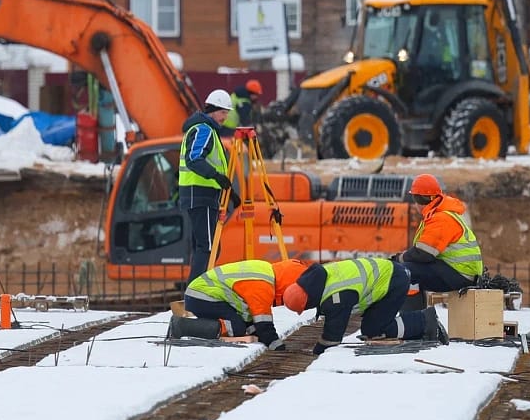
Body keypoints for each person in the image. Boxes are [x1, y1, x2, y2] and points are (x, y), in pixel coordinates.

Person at [283, 257, 449, 355]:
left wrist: (318, 350)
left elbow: (333, 334)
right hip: (388, 275)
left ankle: (426, 321)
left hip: (392, 281)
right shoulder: (319, 279)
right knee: (370, 328)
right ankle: (421, 322)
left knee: (377, 330)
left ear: (307, 301)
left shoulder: (335, 296)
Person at [169, 258, 308, 350]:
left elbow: (250, 317)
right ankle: (181, 327)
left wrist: (257, 333)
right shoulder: (263, 285)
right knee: (235, 328)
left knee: (239, 324)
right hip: (203, 295)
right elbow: (263, 324)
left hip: (202, 294)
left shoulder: (266, 272)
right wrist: (276, 346)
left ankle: (197, 326)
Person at [179, 89, 239, 283]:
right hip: (200, 195)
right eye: (223, 112)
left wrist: (229, 193)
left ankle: (195, 291)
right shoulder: (203, 129)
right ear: (213, 110)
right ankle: (196, 293)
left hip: (203, 195)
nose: (226, 116)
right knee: (208, 247)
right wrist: (216, 176)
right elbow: (194, 159)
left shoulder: (208, 130)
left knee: (206, 246)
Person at [391, 173, 483, 295]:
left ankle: (411, 312)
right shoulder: (439, 214)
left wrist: (398, 259)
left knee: (403, 271)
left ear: (420, 199)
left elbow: (423, 254)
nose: (415, 204)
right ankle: (416, 311)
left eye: (415, 199)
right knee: (411, 270)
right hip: (459, 271)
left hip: (460, 275)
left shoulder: (441, 218)